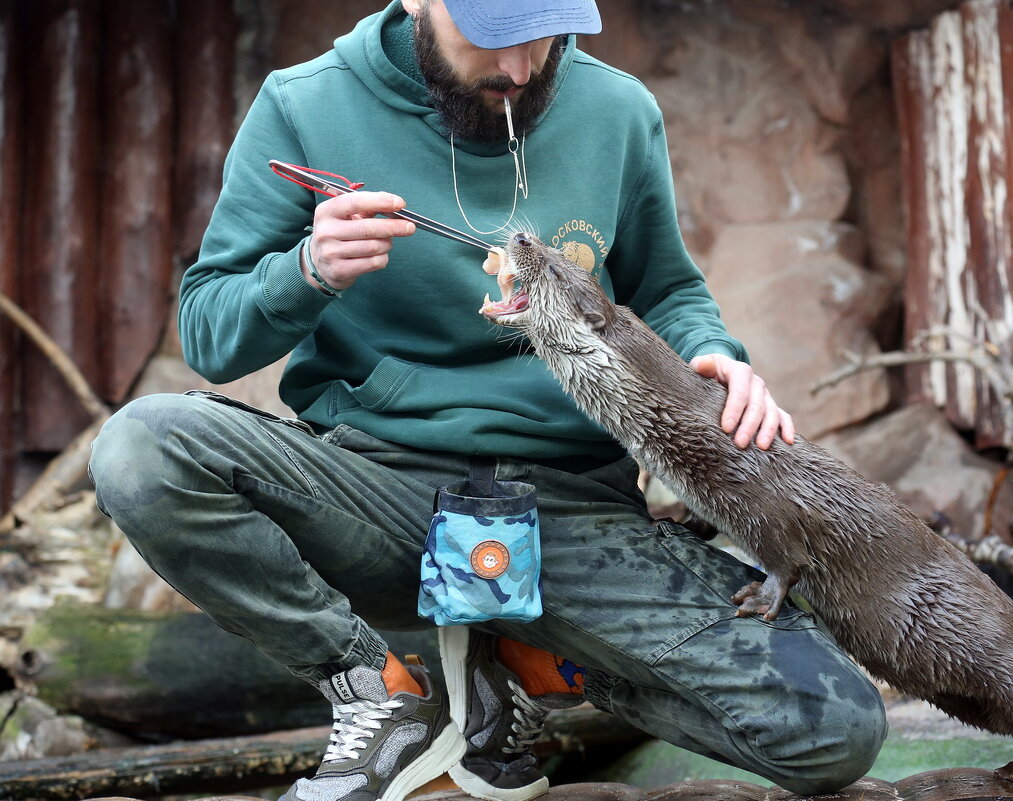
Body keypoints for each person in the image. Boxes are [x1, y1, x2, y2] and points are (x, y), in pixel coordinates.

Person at [89, 2, 887, 801]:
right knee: (143, 447)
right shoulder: (304, 104)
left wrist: (712, 354)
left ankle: (533, 658)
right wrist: (306, 270)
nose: (520, 68)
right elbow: (210, 334)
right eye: (494, 37)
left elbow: (668, 289)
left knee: (835, 730)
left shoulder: (616, 110)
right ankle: (381, 692)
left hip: (574, 511)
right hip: (378, 491)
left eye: (540, 33)